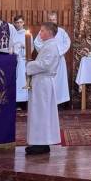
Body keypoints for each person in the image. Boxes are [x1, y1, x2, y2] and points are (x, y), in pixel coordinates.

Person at [25, 22, 62, 155]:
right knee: (41, 112)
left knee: (41, 112)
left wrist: (29, 65)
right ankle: (42, 142)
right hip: (41, 82)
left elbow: (45, 65)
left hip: (43, 83)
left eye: (42, 31)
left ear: (49, 32)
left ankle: (40, 144)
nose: (40, 33)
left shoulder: (51, 46)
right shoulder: (48, 45)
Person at [34, 11, 71, 105]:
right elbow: (37, 43)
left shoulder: (61, 32)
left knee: (59, 82)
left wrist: (58, 52)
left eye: (54, 19)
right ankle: (48, 102)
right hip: (47, 61)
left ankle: (59, 102)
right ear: (48, 20)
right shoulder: (42, 31)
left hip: (59, 60)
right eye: (50, 19)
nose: (52, 21)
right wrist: (47, 52)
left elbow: (67, 43)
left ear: (56, 20)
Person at [11, 15, 29, 110]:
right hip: (14, 60)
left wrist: (23, 47)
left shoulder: (27, 34)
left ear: (23, 23)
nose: (19, 24)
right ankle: (15, 102)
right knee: (15, 81)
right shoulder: (12, 34)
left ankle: (23, 102)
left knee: (22, 81)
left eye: (20, 22)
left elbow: (30, 48)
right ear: (14, 23)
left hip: (23, 60)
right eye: (17, 22)